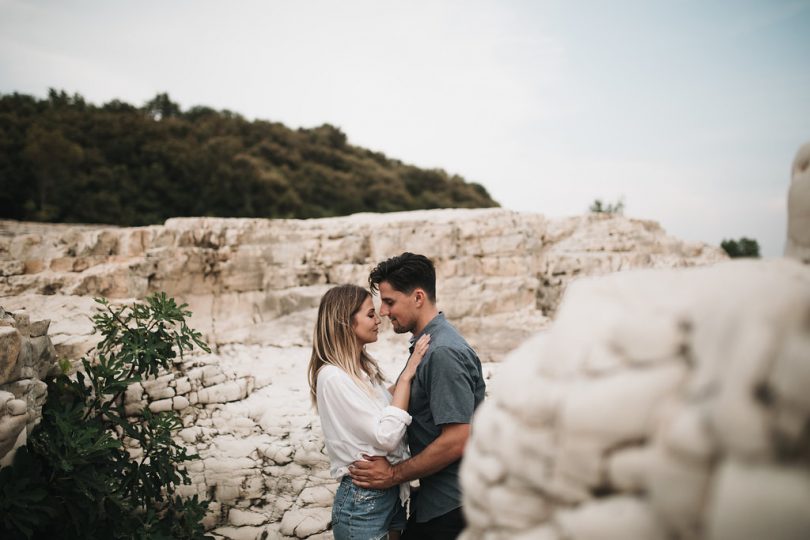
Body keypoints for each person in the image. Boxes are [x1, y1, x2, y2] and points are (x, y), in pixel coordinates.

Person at [349, 253, 486, 540]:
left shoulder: (443, 352)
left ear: (418, 297)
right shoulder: (428, 346)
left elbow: (458, 438)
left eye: (389, 302)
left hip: (453, 507)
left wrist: (393, 475)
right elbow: (395, 396)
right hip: (438, 502)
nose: (383, 312)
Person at [307, 284, 431, 540]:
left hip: (390, 492)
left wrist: (418, 366)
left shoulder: (362, 373)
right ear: (345, 322)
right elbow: (386, 435)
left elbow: (384, 407)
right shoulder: (332, 377)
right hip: (363, 501)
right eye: (370, 314)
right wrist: (407, 377)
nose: (379, 319)